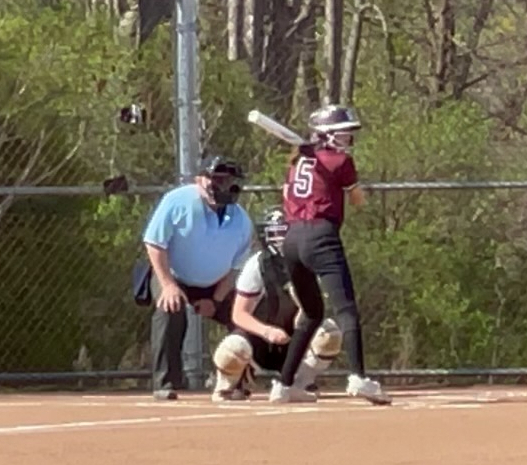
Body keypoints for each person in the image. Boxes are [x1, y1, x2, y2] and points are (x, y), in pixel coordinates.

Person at [275, 104, 392, 405]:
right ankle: (358, 378)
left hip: (291, 239)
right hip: (320, 235)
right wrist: (345, 179)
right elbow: (358, 200)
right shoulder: (339, 161)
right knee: (346, 310)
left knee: (312, 313)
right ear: (325, 136)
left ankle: (284, 384)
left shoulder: (298, 161)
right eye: (342, 134)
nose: (348, 140)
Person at [142, 154, 253, 400]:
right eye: (218, 179)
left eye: (231, 180)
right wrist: (168, 285)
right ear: (200, 180)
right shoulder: (176, 201)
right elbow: (154, 243)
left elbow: (235, 268)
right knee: (170, 307)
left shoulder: (241, 220)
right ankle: (165, 382)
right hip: (174, 276)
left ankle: (234, 381)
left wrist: (215, 299)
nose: (225, 185)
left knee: (245, 314)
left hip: (215, 284)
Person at [210, 206, 343, 403]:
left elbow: (314, 311)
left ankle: (301, 382)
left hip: (296, 339)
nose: (281, 240)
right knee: (233, 347)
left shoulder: (310, 261)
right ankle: (228, 386)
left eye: (285, 233)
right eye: (275, 234)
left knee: (329, 333)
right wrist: (267, 331)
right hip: (260, 342)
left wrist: (302, 318)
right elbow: (239, 314)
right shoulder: (258, 264)